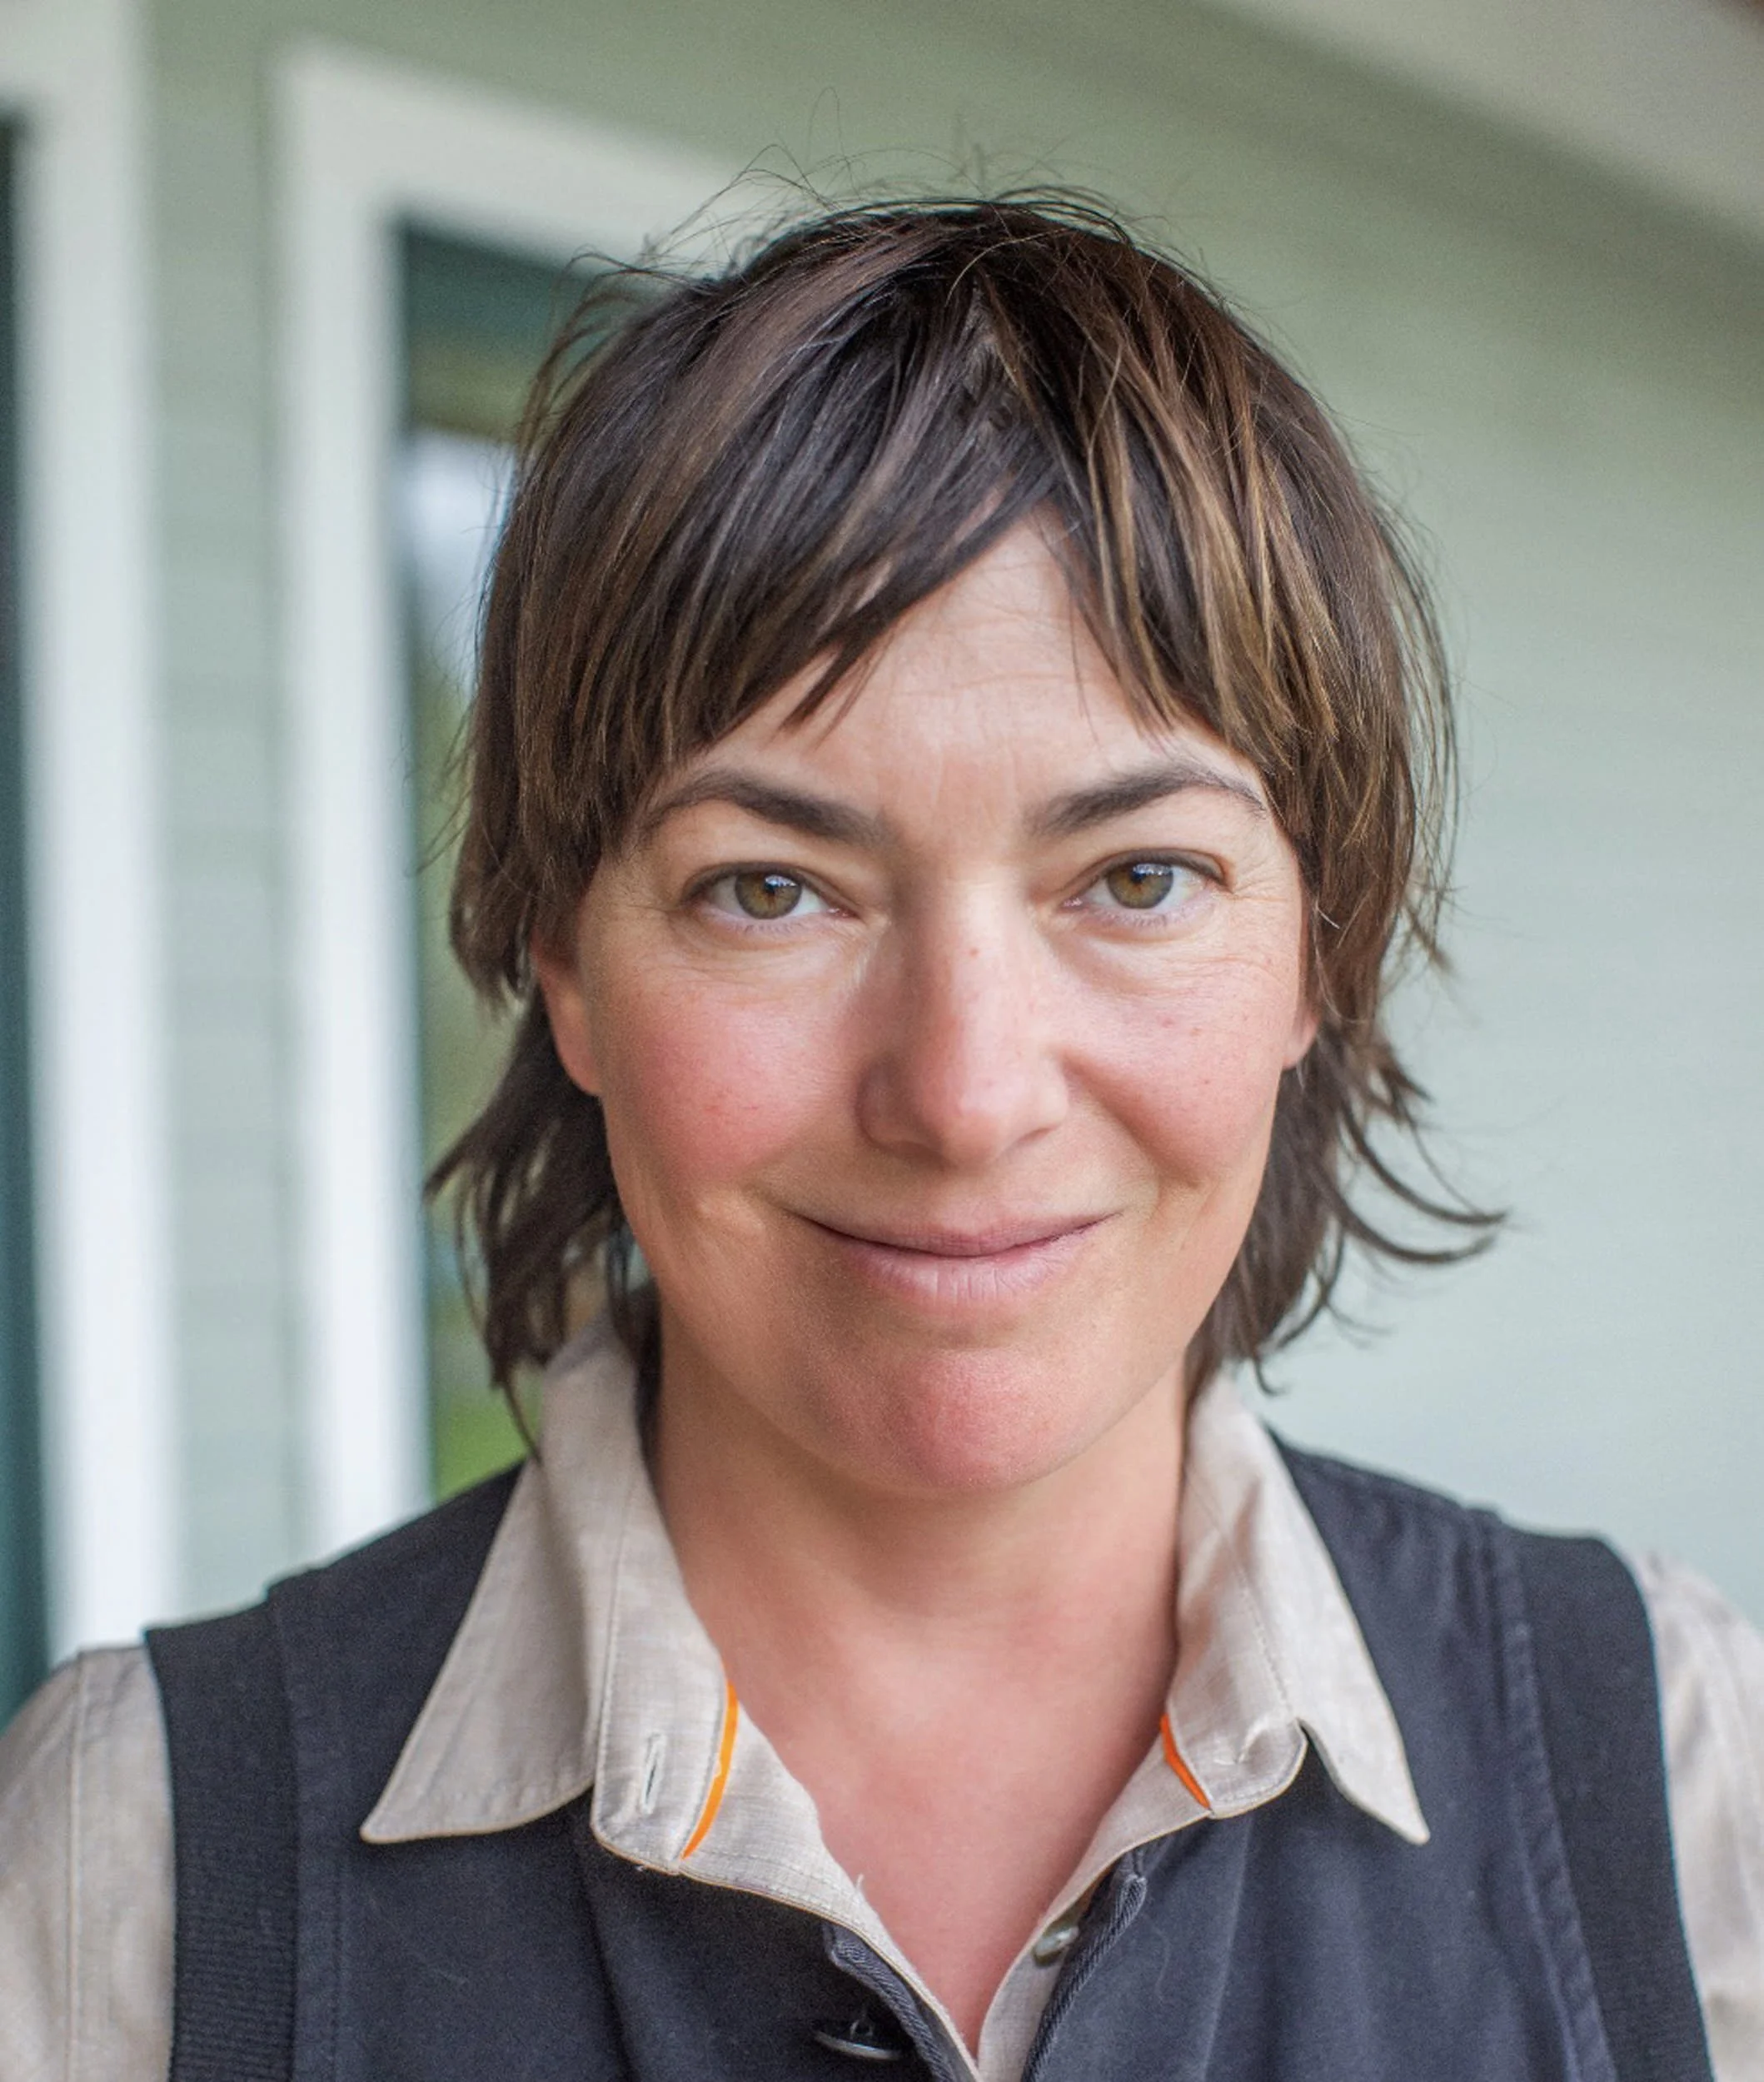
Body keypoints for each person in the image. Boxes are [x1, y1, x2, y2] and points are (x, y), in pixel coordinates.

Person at [2, 197, 1761, 2082]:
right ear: (564, 963)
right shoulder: (135, 1861)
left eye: (1139, 876)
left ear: (1316, 953)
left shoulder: (1675, 1773)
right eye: (771, 886)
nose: (966, 1089)